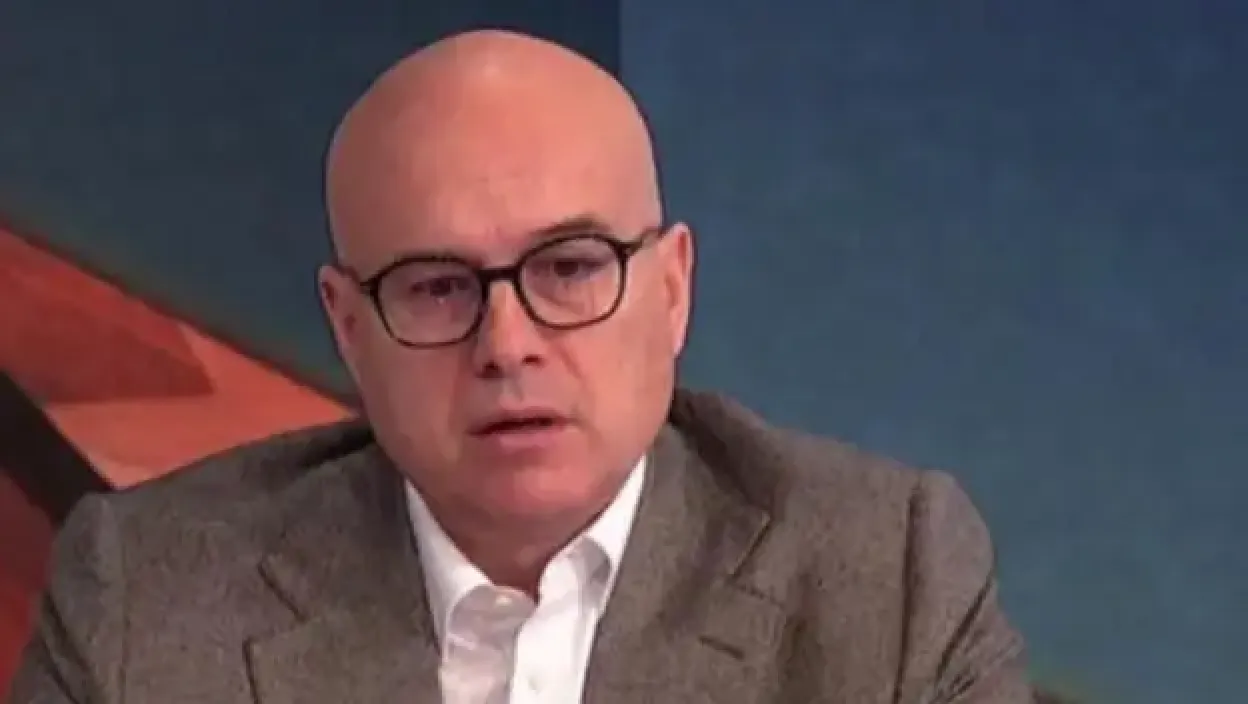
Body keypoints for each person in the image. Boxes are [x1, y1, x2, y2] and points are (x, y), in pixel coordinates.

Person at [7, 29, 1033, 704]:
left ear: (672, 289)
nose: (508, 343)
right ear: (349, 327)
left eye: (571, 267)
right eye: (437, 286)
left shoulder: (889, 580)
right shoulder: (146, 597)